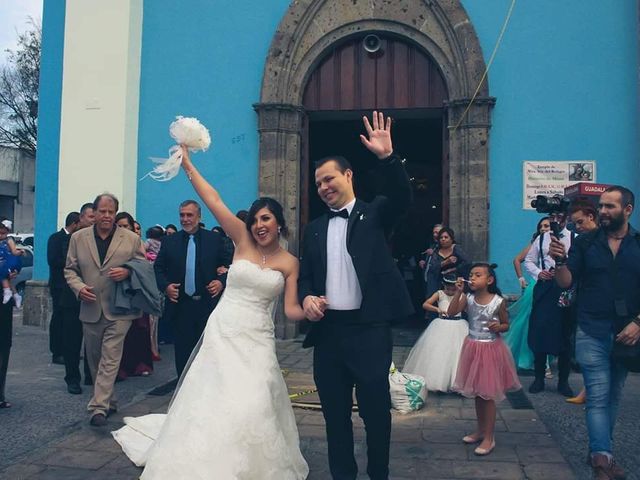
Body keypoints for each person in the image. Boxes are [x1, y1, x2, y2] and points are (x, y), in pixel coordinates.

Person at [112, 145, 309, 479]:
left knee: (256, 395)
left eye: (267, 219)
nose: (259, 225)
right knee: (215, 393)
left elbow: (290, 310)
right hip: (225, 329)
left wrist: (312, 308)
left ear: (279, 224)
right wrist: (188, 164)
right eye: (256, 219)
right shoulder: (241, 240)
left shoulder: (290, 263)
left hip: (258, 338)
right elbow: (214, 199)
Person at [298, 111, 413, 480]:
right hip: (328, 334)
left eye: (329, 178)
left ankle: (378, 473)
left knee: (376, 414)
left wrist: (387, 157)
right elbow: (306, 279)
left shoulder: (375, 213)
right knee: (334, 416)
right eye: (318, 184)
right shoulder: (313, 229)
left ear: (348, 176)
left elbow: (401, 196)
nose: (323, 187)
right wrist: (307, 300)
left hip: (369, 331)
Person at [550, 186, 639, 480]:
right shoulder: (586, 243)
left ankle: (601, 451)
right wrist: (560, 261)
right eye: (601, 206)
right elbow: (566, 283)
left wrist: (638, 322)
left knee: (613, 396)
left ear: (628, 210)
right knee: (598, 396)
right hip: (591, 328)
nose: (602, 211)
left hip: (628, 333)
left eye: (610, 207)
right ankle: (602, 461)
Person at [65, 193, 147, 427]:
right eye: (102, 211)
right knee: (95, 358)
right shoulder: (79, 238)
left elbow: (143, 266)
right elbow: (69, 269)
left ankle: (98, 407)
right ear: (95, 212)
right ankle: (109, 401)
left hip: (119, 308)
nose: (107, 216)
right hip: (90, 306)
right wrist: (79, 288)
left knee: (111, 356)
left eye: (111, 212)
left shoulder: (130, 239)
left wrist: (128, 271)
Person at [448, 263, 521, 456]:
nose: (472, 278)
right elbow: (451, 312)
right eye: (471, 275)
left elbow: (506, 324)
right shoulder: (468, 299)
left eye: (477, 275)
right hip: (472, 347)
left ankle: (489, 437)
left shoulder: (498, 301)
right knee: (478, 394)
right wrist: (458, 293)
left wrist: (499, 327)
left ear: (489, 280)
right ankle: (480, 430)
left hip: (490, 349)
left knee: (488, 395)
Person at [154, 200, 228, 377]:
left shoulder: (214, 239)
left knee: (208, 350)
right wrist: (166, 286)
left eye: (189, 215)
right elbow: (158, 268)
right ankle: (182, 390)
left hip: (207, 305)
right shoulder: (169, 241)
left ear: (199, 216)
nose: (185, 219)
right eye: (182, 215)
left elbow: (231, 265)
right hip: (181, 305)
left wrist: (221, 281)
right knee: (182, 352)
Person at [524, 210, 575, 396]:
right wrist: (539, 273)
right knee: (540, 330)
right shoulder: (541, 238)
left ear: (566, 218)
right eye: (553, 217)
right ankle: (539, 378)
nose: (556, 220)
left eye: (559, 217)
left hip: (565, 288)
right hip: (545, 288)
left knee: (564, 334)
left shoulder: (574, 237)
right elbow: (528, 261)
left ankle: (563, 381)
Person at [403, 278, 468, 392]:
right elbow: (425, 304)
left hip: (458, 324)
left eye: (453, 288)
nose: (450, 291)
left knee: (457, 352)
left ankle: (456, 382)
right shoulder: (439, 294)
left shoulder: (462, 295)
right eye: (448, 288)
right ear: (443, 285)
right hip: (441, 325)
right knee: (439, 352)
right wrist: (437, 309)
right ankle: (437, 380)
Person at [503, 217, 550, 371]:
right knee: (530, 320)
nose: (543, 228)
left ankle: (546, 360)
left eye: (547, 225)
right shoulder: (536, 242)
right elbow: (517, 260)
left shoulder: (559, 240)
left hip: (555, 284)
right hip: (537, 283)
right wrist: (521, 278)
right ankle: (532, 358)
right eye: (541, 226)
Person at [564, 201, 598, 405]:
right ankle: (588, 389)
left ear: (591, 217)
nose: (578, 227)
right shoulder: (581, 242)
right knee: (585, 351)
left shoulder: (603, 240)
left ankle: (591, 390)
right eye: (574, 224)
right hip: (583, 300)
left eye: (580, 222)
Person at [47, 211, 85, 394]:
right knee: (66, 330)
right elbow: (57, 261)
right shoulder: (59, 239)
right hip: (65, 290)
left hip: (91, 294)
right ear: (79, 221)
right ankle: (65, 364)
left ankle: (91, 374)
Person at [115, 212, 154, 380]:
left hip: (136, 290)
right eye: (120, 226)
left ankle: (139, 364)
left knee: (138, 330)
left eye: (126, 226)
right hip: (117, 292)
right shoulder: (112, 243)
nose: (123, 229)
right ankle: (120, 367)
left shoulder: (136, 242)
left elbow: (144, 266)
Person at [424, 227, 470, 312]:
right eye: (441, 238)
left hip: (454, 282)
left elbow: (467, 262)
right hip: (439, 282)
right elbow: (432, 267)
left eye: (446, 237)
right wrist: (446, 262)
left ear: (452, 238)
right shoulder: (436, 251)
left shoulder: (456, 249)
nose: (443, 239)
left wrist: (453, 269)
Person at [0, 220, 24, 307]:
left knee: (3, 274)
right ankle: (16, 295)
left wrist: (20, 252)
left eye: (3, 233)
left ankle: (7, 291)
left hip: (9, 261)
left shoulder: (8, 240)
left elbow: (14, 251)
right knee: (8, 280)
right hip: (3, 262)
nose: (0, 235)